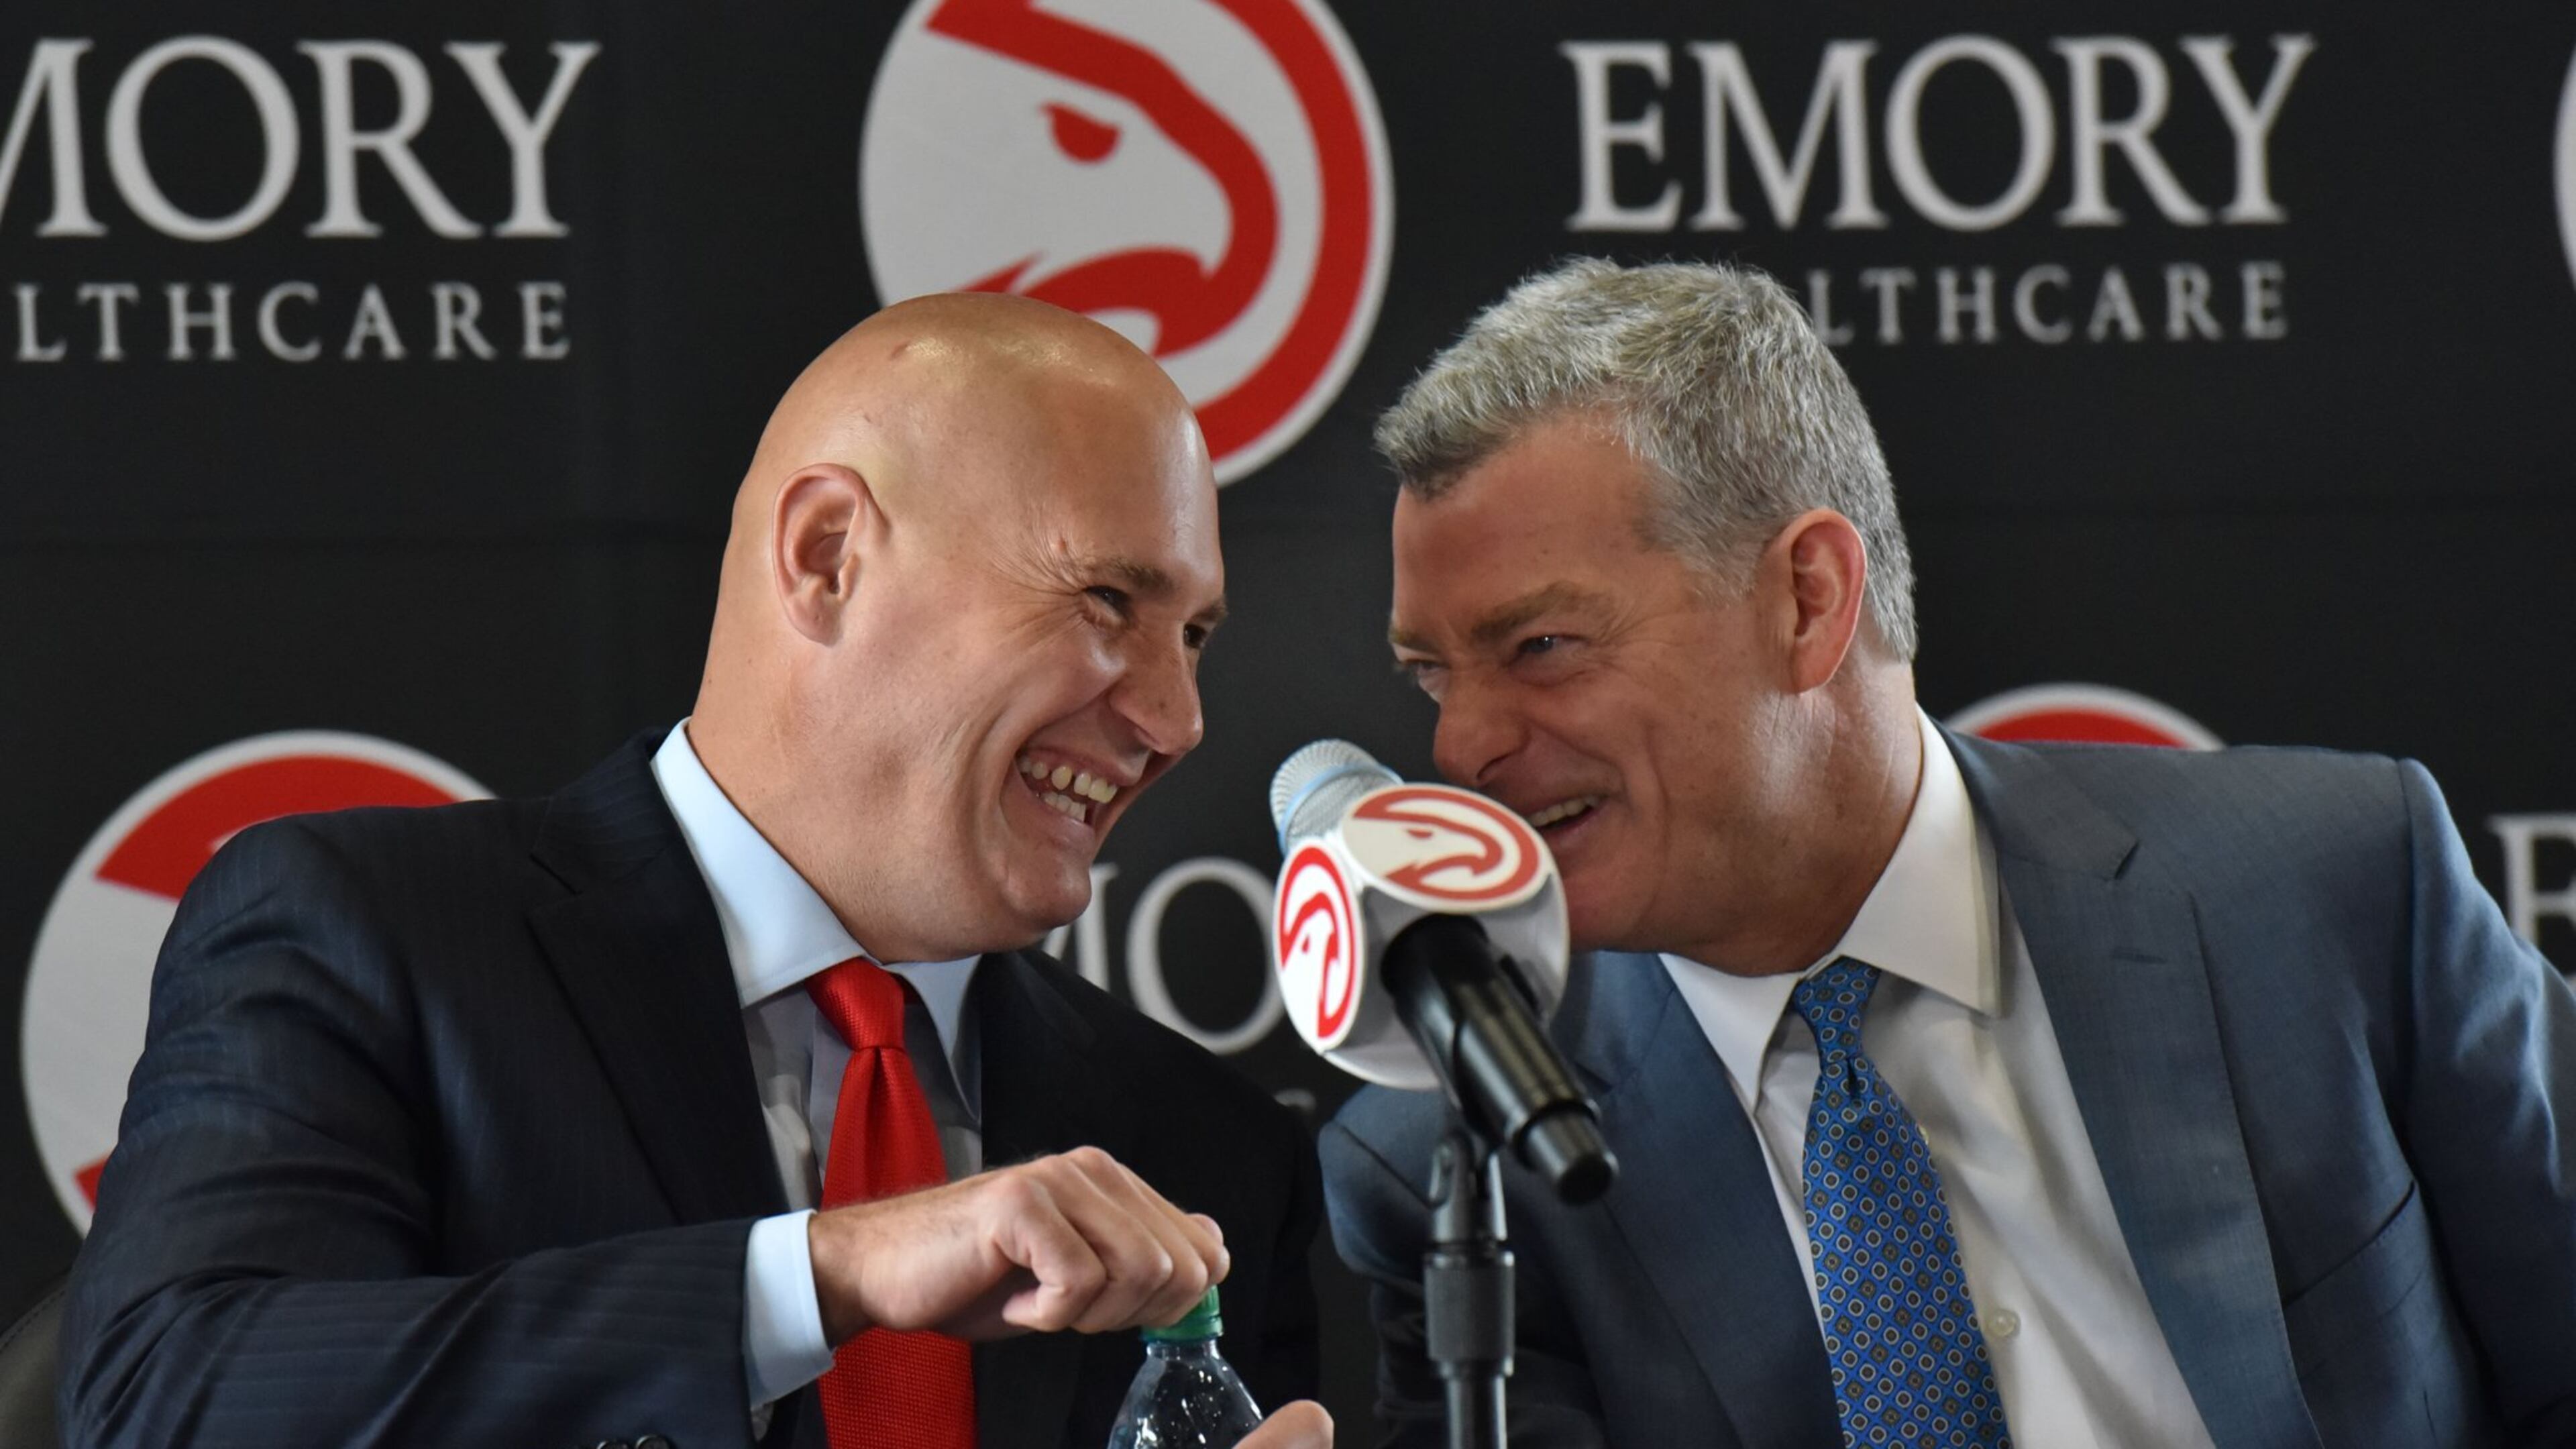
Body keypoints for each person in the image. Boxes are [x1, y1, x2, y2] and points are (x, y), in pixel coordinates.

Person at [1322, 258, 2576, 1448]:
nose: (1462, 744)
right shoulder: (1460, 1159)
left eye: (1541, 647)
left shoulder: (2332, 891)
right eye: (1432, 673)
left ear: (1809, 599)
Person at [60, 294, 1334, 1449]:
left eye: (1195, 635)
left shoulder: (1203, 1148)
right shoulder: (370, 936)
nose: (1176, 719)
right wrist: (818, 1278)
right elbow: (171, 1399)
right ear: (827, 555)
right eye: (1106, 600)